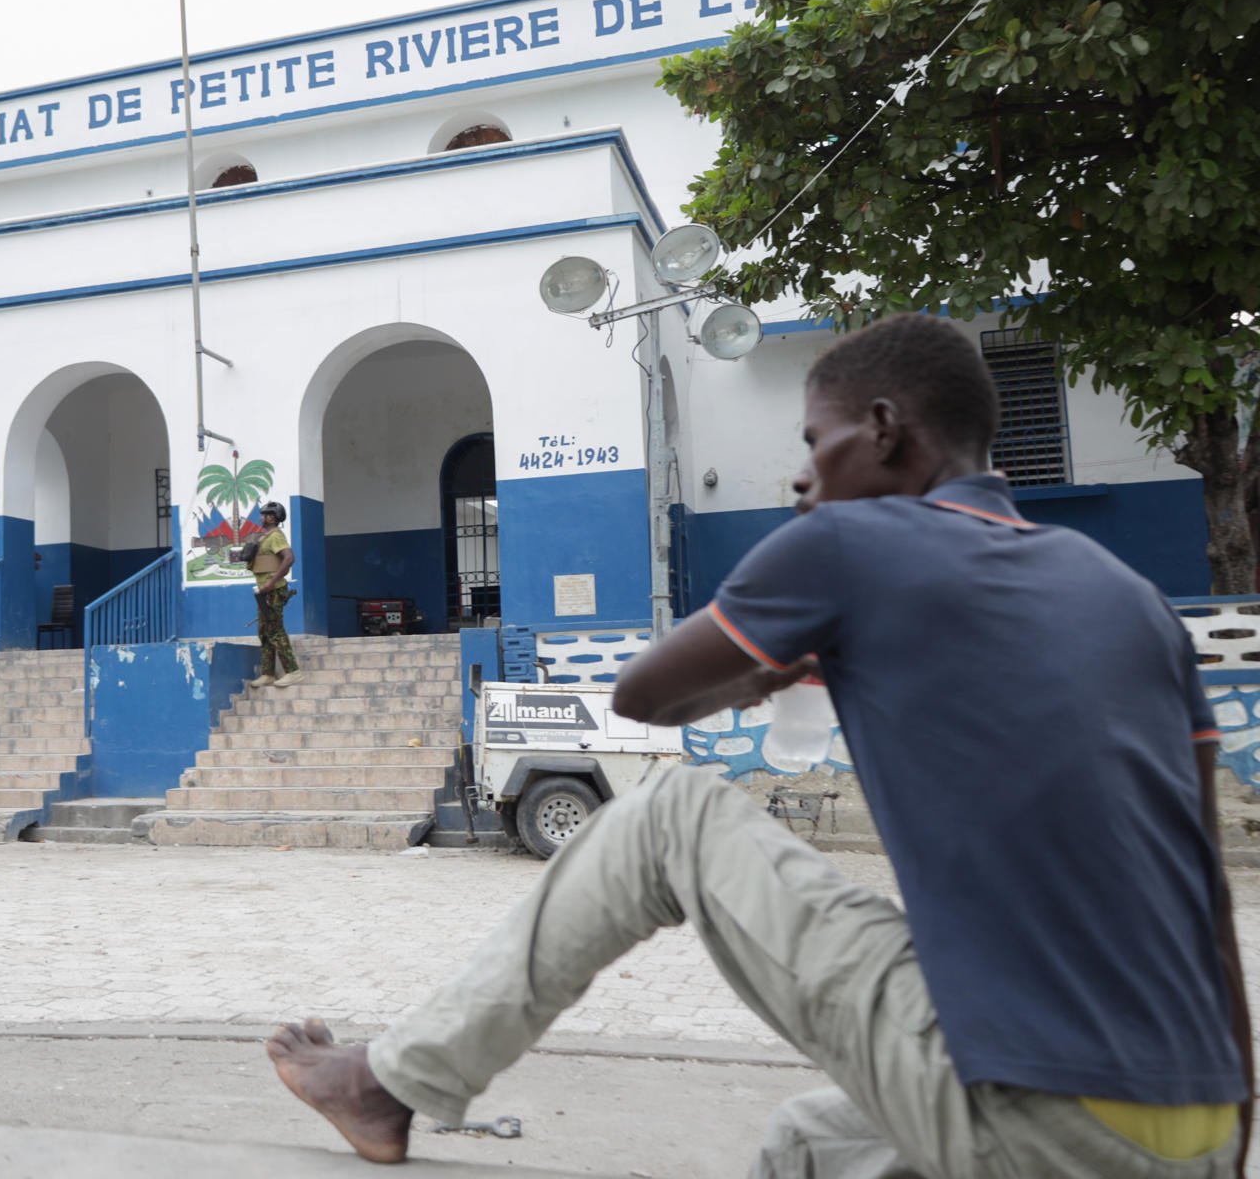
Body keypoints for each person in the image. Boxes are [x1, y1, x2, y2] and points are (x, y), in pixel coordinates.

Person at [267, 314, 1250, 1177]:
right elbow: (1206, 894)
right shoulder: (1135, 602)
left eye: (815, 440)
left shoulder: (849, 542)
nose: (801, 472)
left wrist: (776, 663)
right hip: (1197, 1123)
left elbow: (642, 693)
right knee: (814, 1143)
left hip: (1036, 1107)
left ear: (882, 428)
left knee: (666, 814)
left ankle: (392, 1080)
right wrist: (1238, 1125)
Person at [249, 499, 304, 689]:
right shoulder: (266, 537)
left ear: (273, 517)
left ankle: (293, 671)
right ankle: (268, 673)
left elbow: (289, 558)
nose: (262, 518)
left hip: (273, 591)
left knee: (276, 631)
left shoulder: (276, 536)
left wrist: (272, 583)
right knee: (264, 632)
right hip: (263, 592)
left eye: (265, 514)